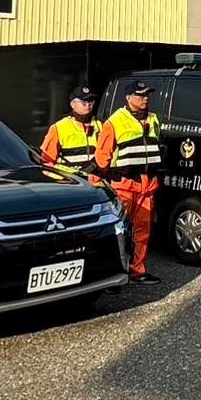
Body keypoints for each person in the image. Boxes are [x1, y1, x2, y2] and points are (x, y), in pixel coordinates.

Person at [94, 80, 163, 285]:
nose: (145, 99)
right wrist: (97, 186)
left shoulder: (153, 119)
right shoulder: (114, 122)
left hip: (147, 185)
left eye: (147, 95)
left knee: (143, 230)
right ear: (128, 98)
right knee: (119, 231)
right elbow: (102, 157)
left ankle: (137, 270)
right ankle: (113, 273)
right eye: (140, 95)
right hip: (123, 185)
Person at [40, 84, 100, 177]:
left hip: (94, 184)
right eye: (83, 102)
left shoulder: (101, 125)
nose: (88, 105)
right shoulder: (59, 128)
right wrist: (61, 180)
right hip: (69, 183)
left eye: (91, 102)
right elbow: (47, 162)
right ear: (72, 104)